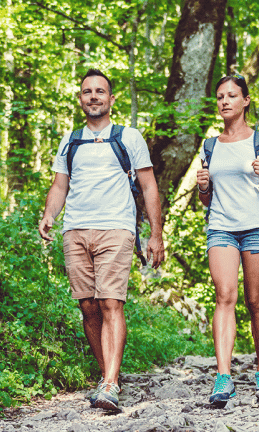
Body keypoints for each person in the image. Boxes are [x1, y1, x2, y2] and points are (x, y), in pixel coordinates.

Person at [39, 68, 165, 412]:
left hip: (116, 228)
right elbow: (60, 184)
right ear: (81, 99)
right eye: (86, 92)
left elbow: (149, 185)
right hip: (76, 230)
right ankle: (106, 375)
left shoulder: (129, 137)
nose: (93, 96)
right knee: (88, 306)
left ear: (111, 99)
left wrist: (156, 234)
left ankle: (110, 382)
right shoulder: (71, 139)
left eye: (99, 91)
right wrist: (50, 214)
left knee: (111, 303)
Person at [196, 75, 259, 408]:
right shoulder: (210, 146)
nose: (224, 102)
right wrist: (203, 186)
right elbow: (206, 199)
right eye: (220, 97)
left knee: (255, 301)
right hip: (221, 227)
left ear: (246, 100)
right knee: (224, 295)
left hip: (258, 227)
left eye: (232, 95)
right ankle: (223, 377)